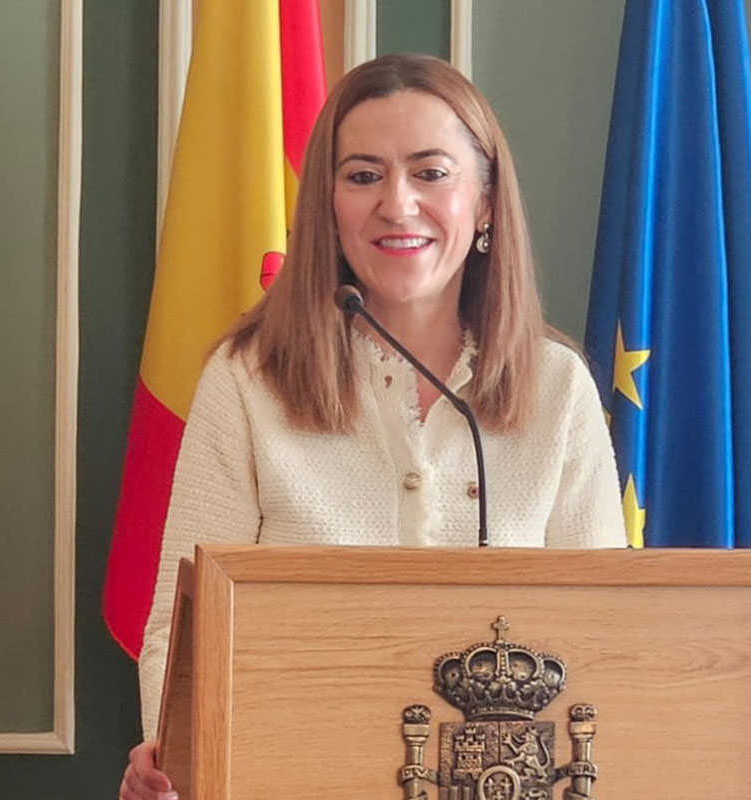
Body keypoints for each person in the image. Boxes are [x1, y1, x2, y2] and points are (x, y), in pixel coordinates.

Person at [118, 52, 625, 800]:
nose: (397, 203)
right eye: (362, 175)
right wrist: (185, 760)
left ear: (484, 201)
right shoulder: (246, 379)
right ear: (327, 204)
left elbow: (604, 641)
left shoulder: (559, 390)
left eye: (431, 172)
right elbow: (178, 635)